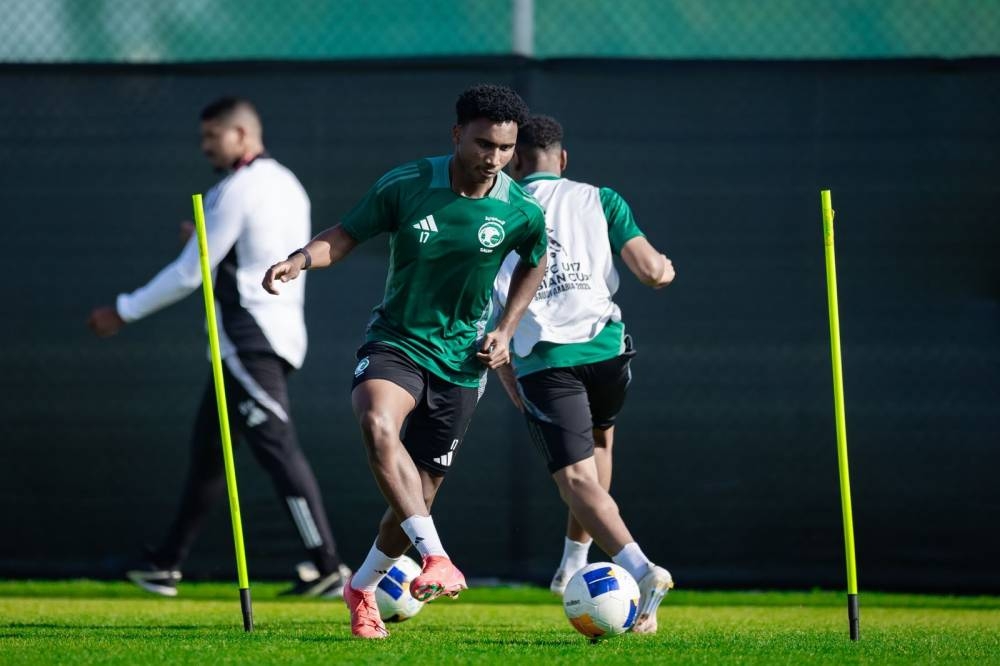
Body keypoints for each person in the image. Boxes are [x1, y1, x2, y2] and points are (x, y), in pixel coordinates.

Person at [262, 84, 548, 639]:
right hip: (395, 341)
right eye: (484, 143)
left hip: (462, 362)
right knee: (377, 423)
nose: (494, 157)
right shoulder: (408, 183)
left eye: (506, 148)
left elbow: (535, 261)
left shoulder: (521, 210)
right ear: (457, 134)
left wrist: (507, 330)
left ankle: (361, 588)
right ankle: (436, 557)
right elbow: (344, 235)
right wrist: (299, 260)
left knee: (417, 493)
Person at [87, 96, 351, 598]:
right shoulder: (286, 183)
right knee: (210, 453)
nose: (205, 145)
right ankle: (166, 563)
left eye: (213, 135)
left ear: (242, 134)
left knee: (276, 446)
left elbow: (191, 272)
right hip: (275, 334)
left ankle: (329, 567)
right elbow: (249, 251)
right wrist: (203, 240)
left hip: (251, 340)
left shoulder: (235, 187)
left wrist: (123, 310)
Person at [492, 114, 676, 634]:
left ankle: (640, 570)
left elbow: (487, 303)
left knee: (575, 478)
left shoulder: (497, 208)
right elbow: (651, 271)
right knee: (597, 448)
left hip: (549, 358)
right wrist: (666, 268)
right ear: (563, 159)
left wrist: (507, 374)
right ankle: (573, 561)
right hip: (608, 352)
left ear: (513, 158)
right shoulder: (601, 199)